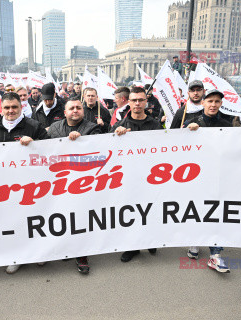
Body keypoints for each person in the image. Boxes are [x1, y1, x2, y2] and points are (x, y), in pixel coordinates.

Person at [0, 92, 49, 274]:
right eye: (6, 107)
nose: (11, 111)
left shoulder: (35, 126)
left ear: (21, 107)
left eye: (14, 107)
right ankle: (18, 256)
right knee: (14, 221)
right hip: (7, 186)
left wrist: (36, 144)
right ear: (1, 109)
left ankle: (40, 253)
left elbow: (50, 152)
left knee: (36, 220)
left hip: (32, 183)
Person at [184, 89, 238, 273]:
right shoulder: (192, 122)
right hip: (195, 177)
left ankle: (215, 254)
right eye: (210, 101)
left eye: (217, 101)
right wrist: (187, 132)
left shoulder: (227, 124)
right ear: (203, 103)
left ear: (221, 104)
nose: (213, 104)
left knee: (217, 213)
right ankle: (195, 242)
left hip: (218, 176)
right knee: (196, 209)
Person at [47, 97, 102, 274]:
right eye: (71, 108)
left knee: (81, 218)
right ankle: (66, 247)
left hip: (83, 182)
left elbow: (99, 153)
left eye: (79, 107)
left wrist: (81, 142)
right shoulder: (54, 128)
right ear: (65, 112)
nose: (75, 110)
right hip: (59, 181)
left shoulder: (92, 128)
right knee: (62, 216)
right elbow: (45, 149)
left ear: (83, 111)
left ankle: (82, 255)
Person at [111, 86, 162, 262]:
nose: (138, 103)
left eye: (141, 100)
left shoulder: (155, 124)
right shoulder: (120, 126)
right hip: (128, 178)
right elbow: (109, 150)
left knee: (150, 209)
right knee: (131, 212)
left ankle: (151, 240)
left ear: (146, 101)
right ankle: (132, 247)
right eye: (134, 100)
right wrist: (116, 137)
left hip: (151, 177)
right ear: (129, 102)